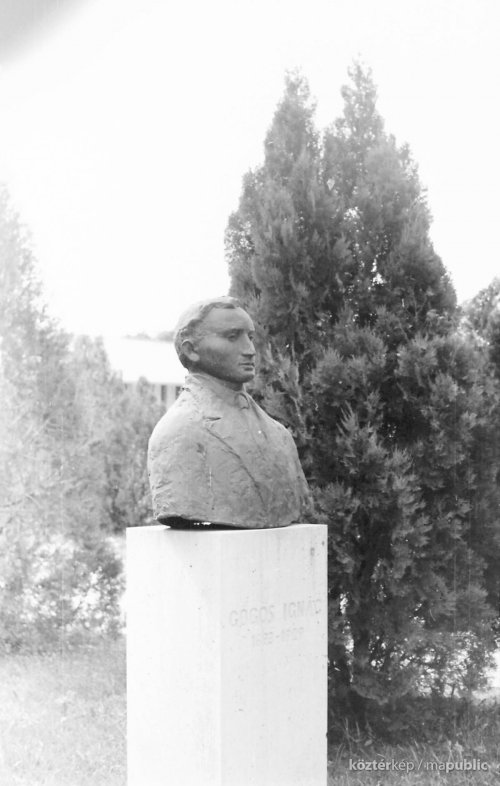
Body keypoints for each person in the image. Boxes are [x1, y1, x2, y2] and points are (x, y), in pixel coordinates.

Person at [147, 296, 310, 528]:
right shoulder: (178, 432)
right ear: (191, 350)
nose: (250, 350)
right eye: (232, 337)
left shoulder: (280, 435)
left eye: (250, 337)